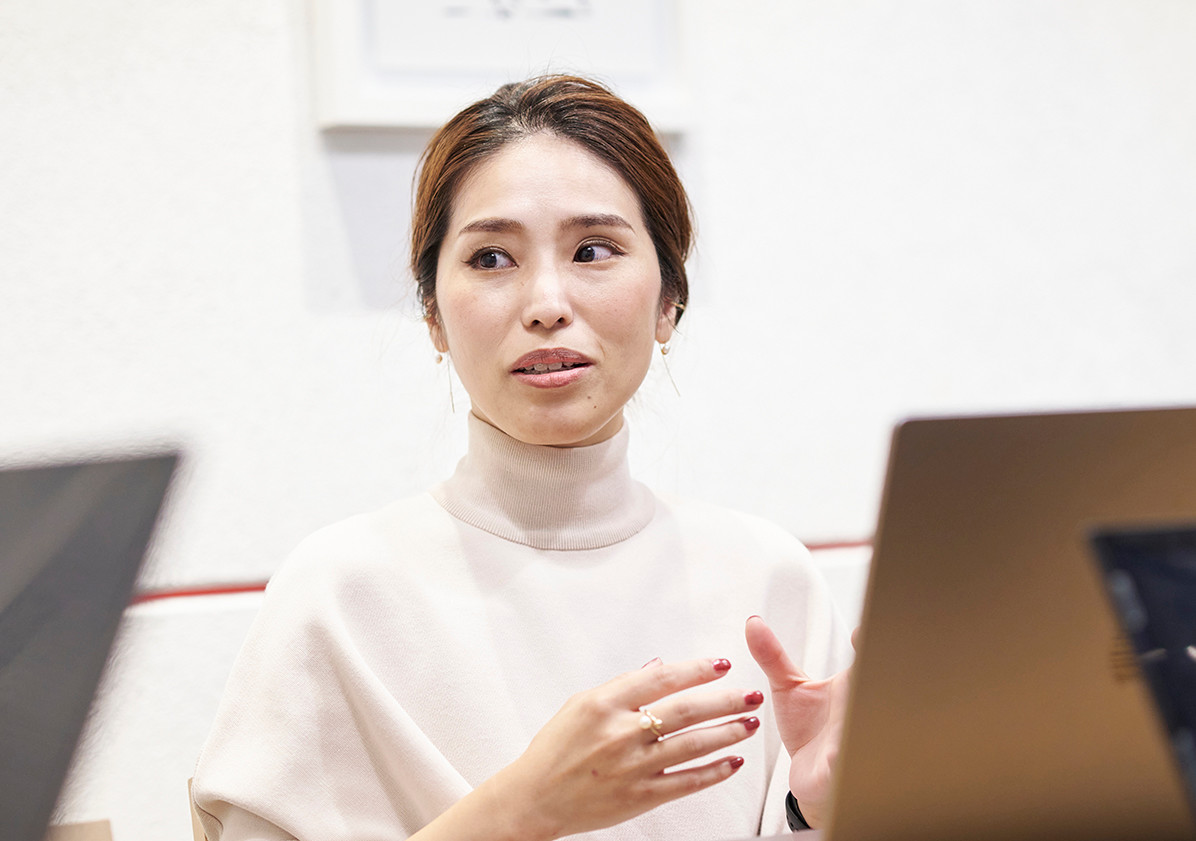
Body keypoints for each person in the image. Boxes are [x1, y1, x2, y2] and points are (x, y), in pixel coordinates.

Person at [192, 74, 853, 841]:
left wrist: (819, 812)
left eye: (593, 250)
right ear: (433, 315)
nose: (546, 303)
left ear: (669, 300)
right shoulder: (339, 593)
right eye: (492, 258)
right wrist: (520, 810)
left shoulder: (767, 576)